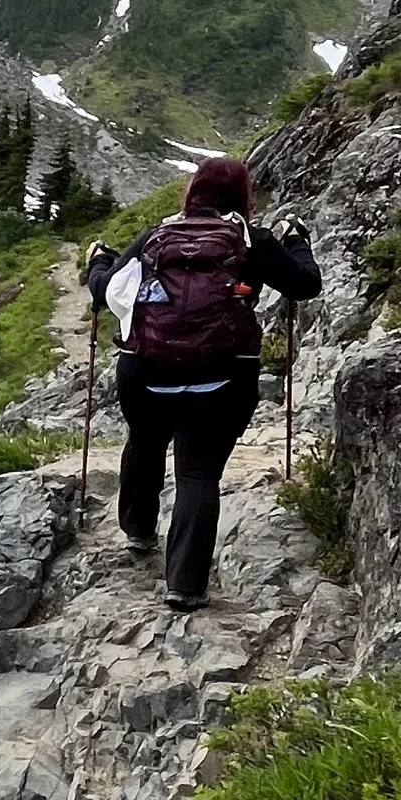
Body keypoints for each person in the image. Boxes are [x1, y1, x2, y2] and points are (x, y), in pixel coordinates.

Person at [83, 155, 319, 612]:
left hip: (145, 369)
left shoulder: (157, 235)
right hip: (221, 375)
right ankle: (184, 586)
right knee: (198, 472)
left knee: (145, 440)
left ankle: (137, 531)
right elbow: (305, 285)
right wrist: (297, 243)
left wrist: (99, 262)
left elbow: (105, 291)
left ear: (192, 192)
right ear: (242, 196)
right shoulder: (250, 240)